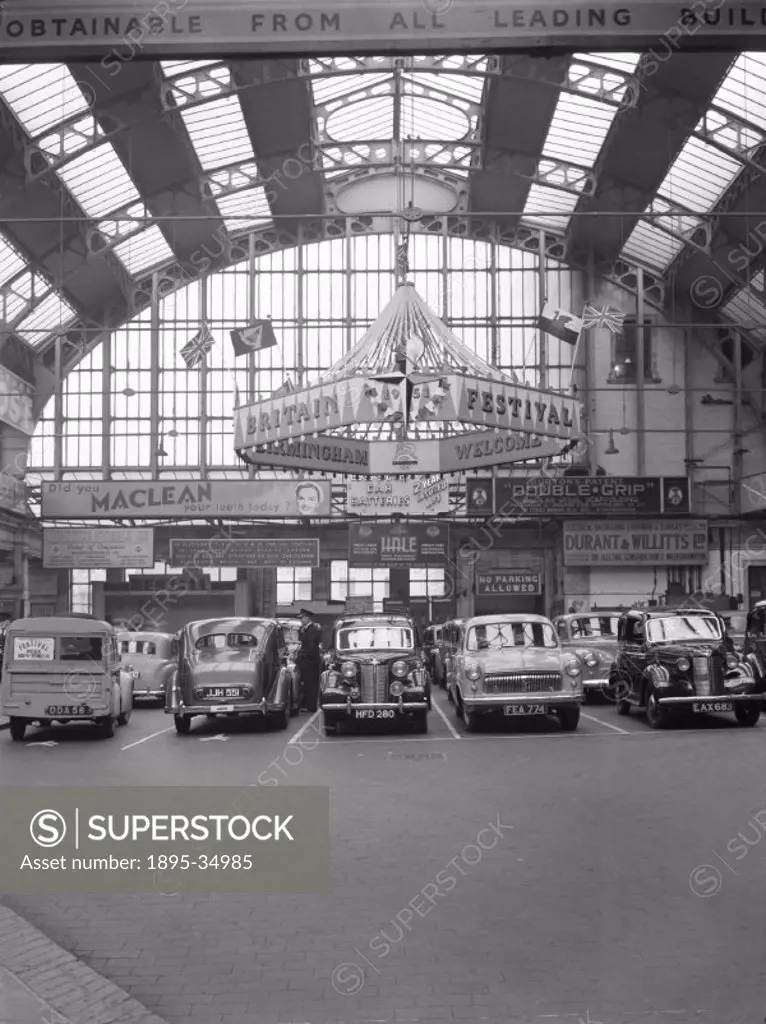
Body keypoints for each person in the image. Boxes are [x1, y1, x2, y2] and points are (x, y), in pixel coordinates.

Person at [297, 608, 322, 712]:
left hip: (311, 661)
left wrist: (303, 654)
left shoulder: (313, 629)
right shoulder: (305, 629)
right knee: (305, 683)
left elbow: (311, 647)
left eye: (302, 618)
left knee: (311, 683)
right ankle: (305, 704)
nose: (301, 620)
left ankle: (310, 706)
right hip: (306, 661)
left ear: (307, 618)